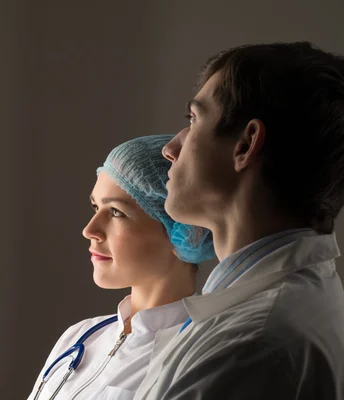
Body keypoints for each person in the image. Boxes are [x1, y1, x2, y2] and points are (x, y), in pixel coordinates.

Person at [134, 42, 344, 400]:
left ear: (245, 145)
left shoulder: (251, 347)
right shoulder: (268, 314)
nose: (170, 148)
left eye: (193, 119)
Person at [28, 135, 215, 400]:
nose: (89, 230)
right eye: (95, 206)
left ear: (182, 229)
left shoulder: (196, 359)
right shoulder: (79, 337)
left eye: (116, 212)